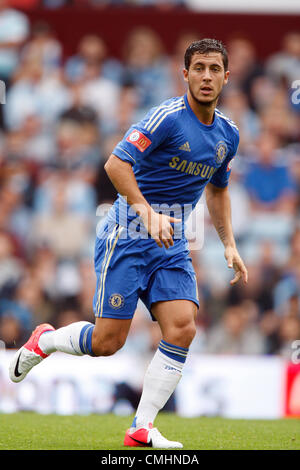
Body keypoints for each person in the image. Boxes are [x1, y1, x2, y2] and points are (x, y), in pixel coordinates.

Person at [9, 39, 248, 448]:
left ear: (226, 76)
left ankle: (142, 426)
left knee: (183, 327)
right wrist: (147, 212)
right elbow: (115, 164)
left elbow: (219, 190)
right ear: (185, 74)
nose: (206, 76)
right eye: (199, 68)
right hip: (130, 231)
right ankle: (45, 340)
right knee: (107, 344)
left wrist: (228, 243)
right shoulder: (167, 118)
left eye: (214, 69)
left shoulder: (229, 134)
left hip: (172, 240)